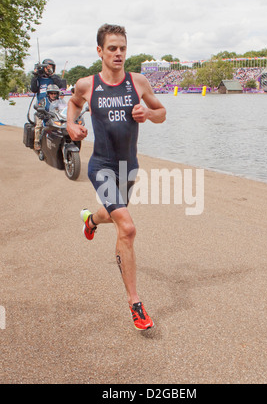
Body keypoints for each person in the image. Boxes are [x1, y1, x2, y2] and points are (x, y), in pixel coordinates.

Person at [67, 24, 166, 331]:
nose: (119, 53)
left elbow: (162, 111)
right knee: (127, 226)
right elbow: (73, 105)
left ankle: (91, 220)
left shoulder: (138, 82)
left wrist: (148, 115)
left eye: (122, 47)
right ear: (100, 51)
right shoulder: (88, 84)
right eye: (112, 48)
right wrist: (72, 126)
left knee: (112, 214)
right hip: (101, 165)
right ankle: (135, 303)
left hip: (129, 168)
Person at [31, 59, 63, 150]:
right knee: (39, 125)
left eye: (51, 67)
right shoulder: (39, 79)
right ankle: (37, 142)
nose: (49, 69)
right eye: (47, 67)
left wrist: (51, 74)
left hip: (54, 106)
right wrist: (35, 75)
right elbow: (33, 89)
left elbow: (60, 84)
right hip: (41, 106)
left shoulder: (53, 78)